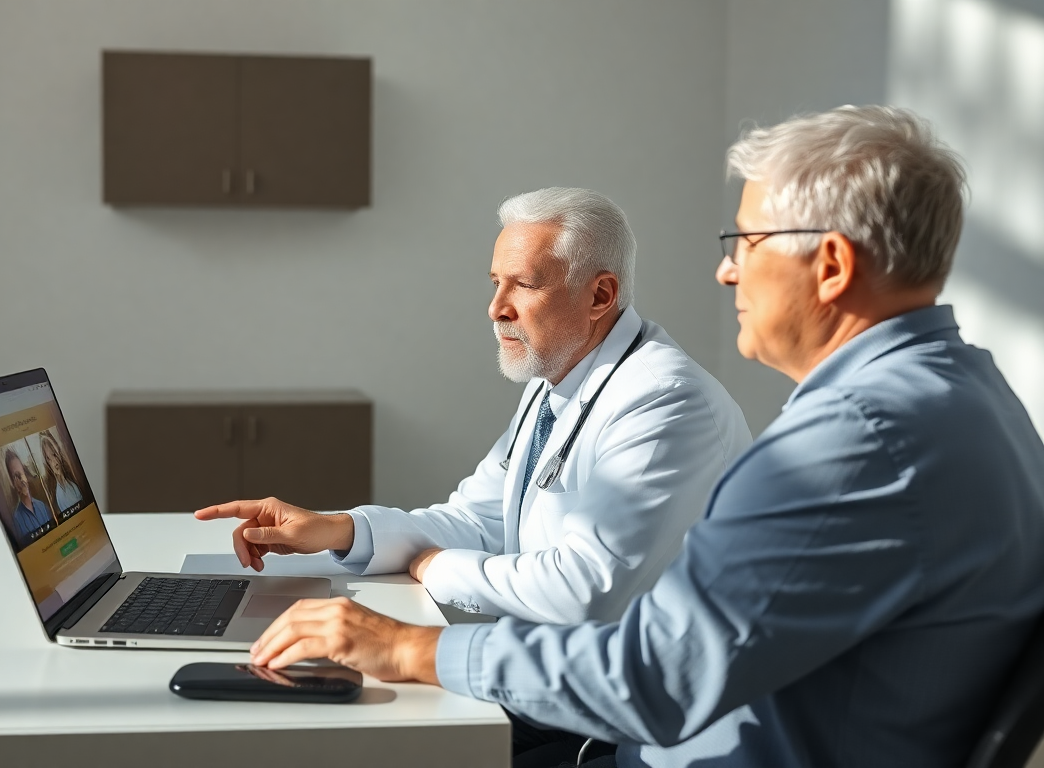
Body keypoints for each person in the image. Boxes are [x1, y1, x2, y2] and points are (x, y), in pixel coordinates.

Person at [238, 106, 1044, 768]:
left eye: (744, 244)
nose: (727, 272)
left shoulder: (850, 444)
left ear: (830, 265)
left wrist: (410, 649)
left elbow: (655, 674)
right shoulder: (970, 396)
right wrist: (356, 537)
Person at [199, 188, 749, 631]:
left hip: (615, 727)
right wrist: (339, 530)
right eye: (495, 284)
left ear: (600, 297)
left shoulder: (664, 402)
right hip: (546, 673)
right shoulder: (555, 379)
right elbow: (477, 520)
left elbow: (587, 593)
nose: (495, 309)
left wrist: (438, 568)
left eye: (524, 286)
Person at [5, 448, 53, 544]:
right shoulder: (16, 521)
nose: (22, 480)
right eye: (16, 476)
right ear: (12, 483)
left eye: (22, 473)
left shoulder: (43, 507)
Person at [40, 431, 83, 513]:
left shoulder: (72, 476)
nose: (54, 462)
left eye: (54, 454)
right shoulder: (60, 495)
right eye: (49, 459)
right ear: (47, 463)